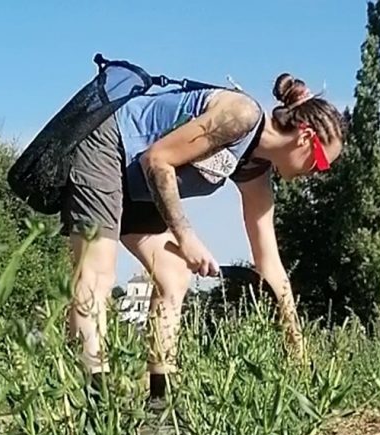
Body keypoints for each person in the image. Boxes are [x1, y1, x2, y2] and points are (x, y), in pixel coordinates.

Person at [62, 71, 347, 400]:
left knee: (173, 275)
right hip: (108, 147)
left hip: (139, 183)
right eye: (320, 164)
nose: (314, 174)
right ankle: (92, 403)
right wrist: (186, 237)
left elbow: (271, 266)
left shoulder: (256, 172)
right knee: (97, 273)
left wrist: (297, 351)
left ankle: (160, 401)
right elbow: (157, 160)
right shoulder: (240, 115)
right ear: (305, 137)